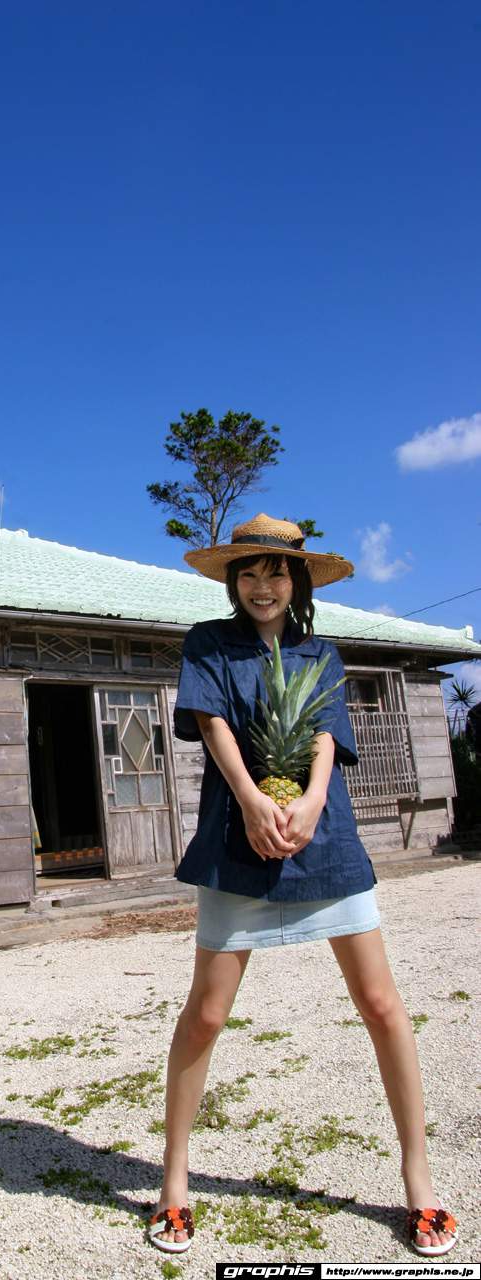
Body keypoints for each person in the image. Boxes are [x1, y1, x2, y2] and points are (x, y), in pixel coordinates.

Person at [147, 514, 458, 1259]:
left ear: (298, 582)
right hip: (238, 832)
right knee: (206, 1014)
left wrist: (313, 800)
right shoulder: (208, 643)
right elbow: (211, 724)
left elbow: (323, 734)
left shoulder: (321, 652)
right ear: (234, 581)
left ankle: (418, 1179)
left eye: (277, 573)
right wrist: (253, 801)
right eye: (249, 573)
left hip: (325, 835)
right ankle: (174, 1180)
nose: (263, 586)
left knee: (380, 1003)